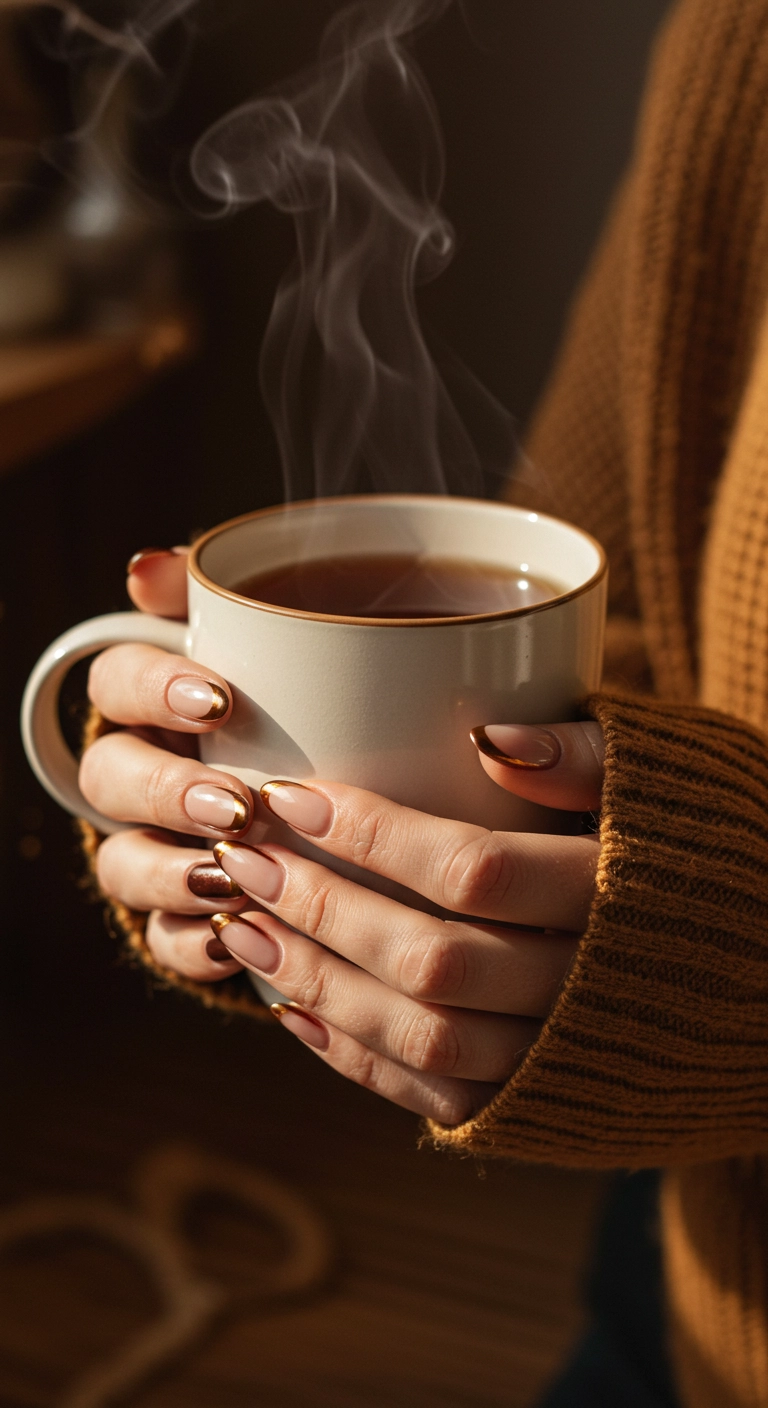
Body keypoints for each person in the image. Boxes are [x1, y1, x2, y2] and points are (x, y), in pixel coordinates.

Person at [75, 0, 768, 1402]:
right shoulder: (741, 45)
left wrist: (732, 945)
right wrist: (221, 798)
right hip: (698, 1257)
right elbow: (606, 612)